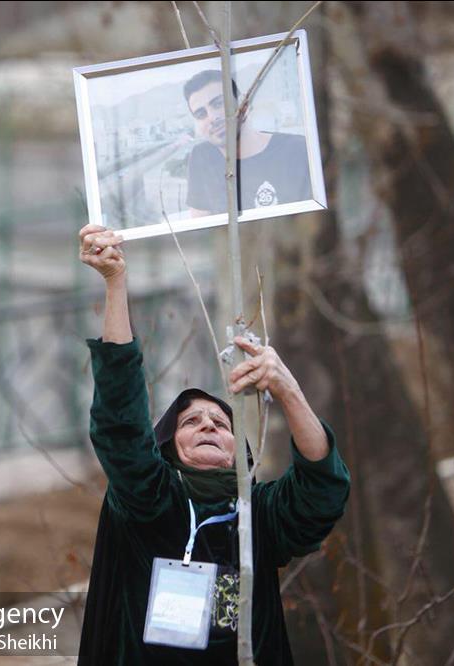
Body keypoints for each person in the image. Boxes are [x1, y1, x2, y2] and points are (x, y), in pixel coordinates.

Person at [76, 224, 350, 664]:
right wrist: (115, 283)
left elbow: (322, 488)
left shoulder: (258, 515)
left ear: (239, 452)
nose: (208, 424)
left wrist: (286, 388)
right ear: (167, 445)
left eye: (222, 423)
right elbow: (121, 425)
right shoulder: (148, 500)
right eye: (190, 420)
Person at [183, 69, 313, 217]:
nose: (212, 117)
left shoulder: (298, 150)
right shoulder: (202, 156)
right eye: (201, 114)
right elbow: (201, 221)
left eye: (219, 104)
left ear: (243, 103)